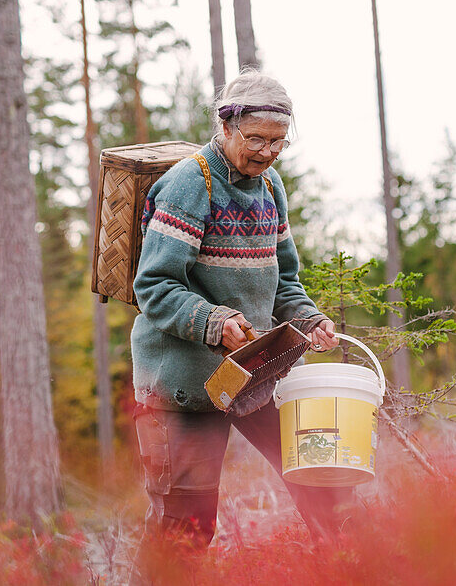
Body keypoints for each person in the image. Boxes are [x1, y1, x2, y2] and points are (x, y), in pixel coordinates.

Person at [130, 71, 353, 557]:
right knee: (183, 528)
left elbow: (284, 280)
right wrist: (214, 322)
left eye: (279, 142)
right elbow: (154, 286)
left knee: (321, 483)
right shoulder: (189, 185)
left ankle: (349, 568)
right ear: (225, 127)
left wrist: (311, 319)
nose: (267, 152)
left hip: (254, 372)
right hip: (184, 384)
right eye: (256, 139)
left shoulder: (271, 187)